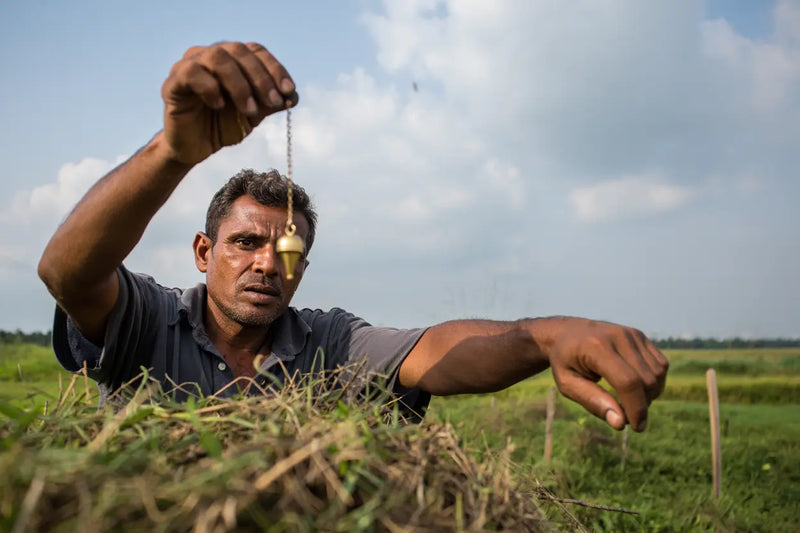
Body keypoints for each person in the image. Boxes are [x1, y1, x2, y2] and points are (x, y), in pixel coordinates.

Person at [38, 42, 668, 431]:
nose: (267, 265)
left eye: (286, 253)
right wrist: (172, 153)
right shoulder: (151, 322)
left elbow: (435, 351)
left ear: (303, 270)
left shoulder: (329, 345)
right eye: (244, 243)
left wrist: (546, 336)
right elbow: (67, 274)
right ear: (204, 253)